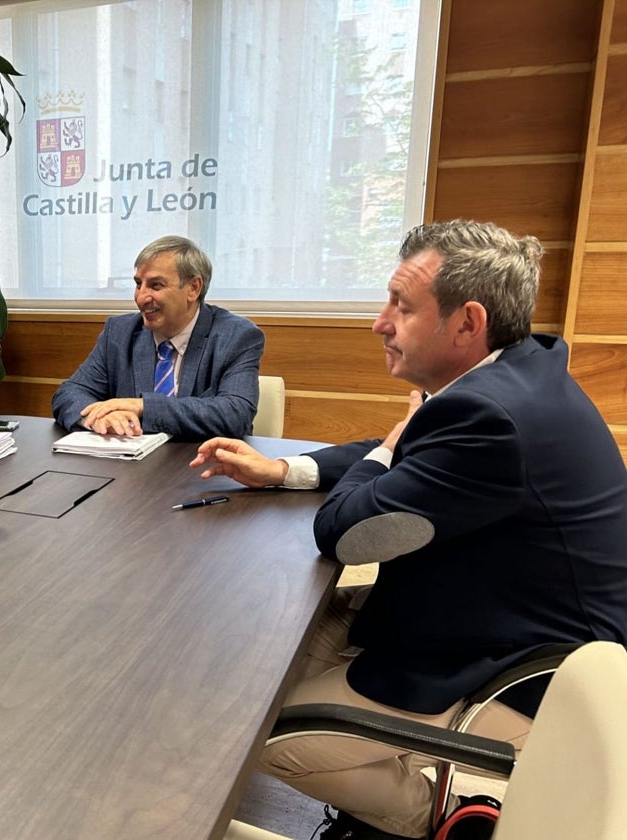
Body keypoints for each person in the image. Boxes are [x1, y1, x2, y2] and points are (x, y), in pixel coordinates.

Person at [191, 219, 627, 840]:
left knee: (264, 735)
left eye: (402, 305)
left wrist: (385, 451)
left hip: (519, 670)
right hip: (482, 615)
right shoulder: (512, 375)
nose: (380, 322)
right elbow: (408, 452)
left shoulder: (492, 419)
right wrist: (286, 468)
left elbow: (346, 533)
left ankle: (446, 819)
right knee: (254, 657)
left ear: (468, 323)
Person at [51, 235, 264, 440]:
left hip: (204, 468)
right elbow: (70, 393)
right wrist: (99, 416)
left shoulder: (236, 336)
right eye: (138, 284)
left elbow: (235, 414)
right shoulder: (119, 333)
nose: (141, 297)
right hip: (128, 468)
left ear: (193, 288)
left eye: (156, 286)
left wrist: (143, 406)